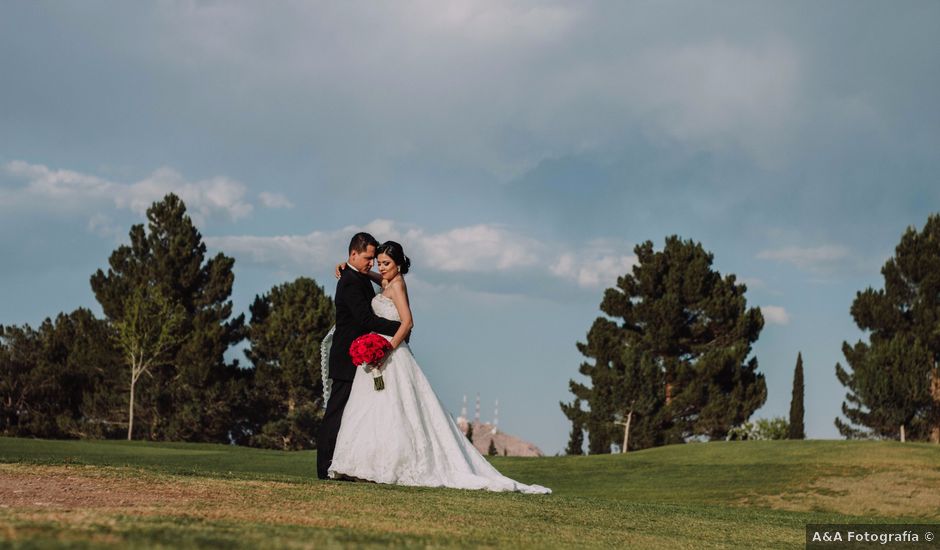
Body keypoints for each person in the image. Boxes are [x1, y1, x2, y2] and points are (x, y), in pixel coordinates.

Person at [324, 240, 550, 494]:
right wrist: (348, 267)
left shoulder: (397, 284)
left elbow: (408, 322)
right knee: (373, 410)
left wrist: (388, 348)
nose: (381, 268)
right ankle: (364, 464)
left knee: (399, 408)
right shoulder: (386, 280)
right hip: (376, 353)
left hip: (391, 353)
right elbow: (370, 275)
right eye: (378, 263)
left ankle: (397, 464)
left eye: (386, 264)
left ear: (398, 265)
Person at [316, 232, 402, 480]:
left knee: (354, 415)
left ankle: (347, 465)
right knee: (336, 414)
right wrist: (400, 328)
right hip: (346, 357)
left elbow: (383, 281)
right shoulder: (350, 281)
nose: (371, 263)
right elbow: (365, 319)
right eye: (367, 258)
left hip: (360, 357)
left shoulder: (358, 275)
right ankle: (324, 469)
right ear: (353, 254)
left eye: (374, 258)